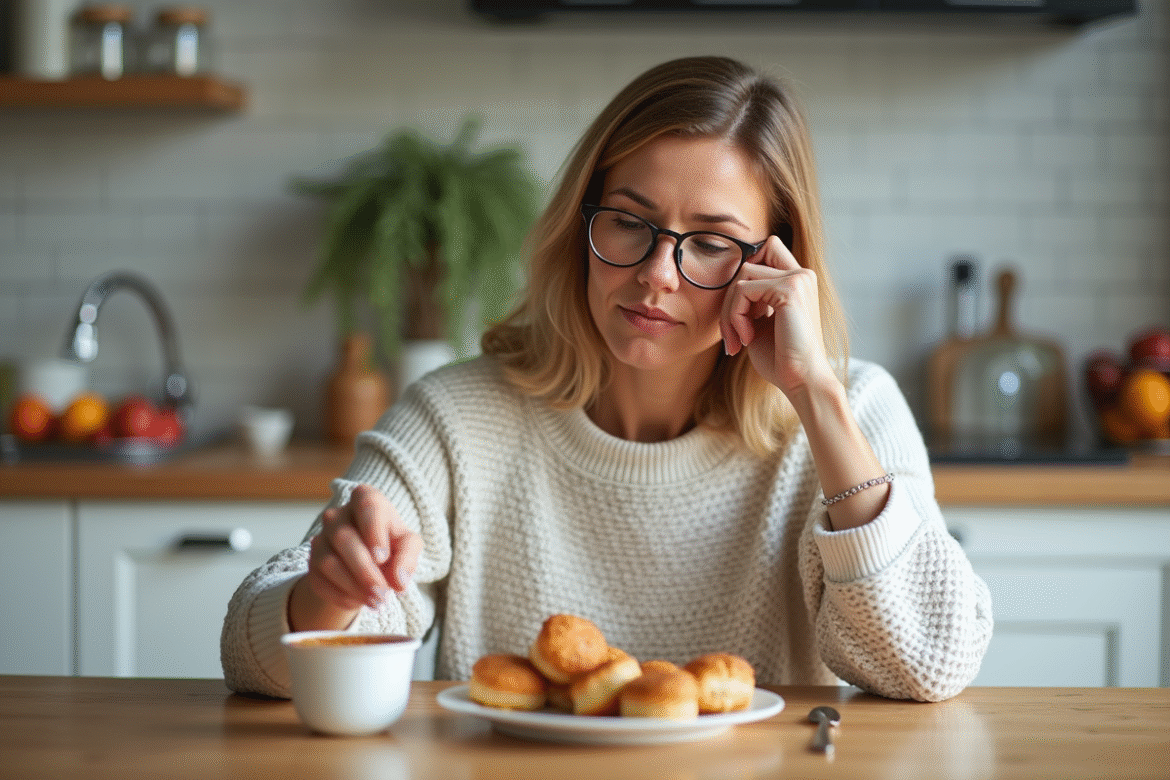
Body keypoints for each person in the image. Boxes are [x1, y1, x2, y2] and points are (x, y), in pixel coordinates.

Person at [221, 55, 993, 703]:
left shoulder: (852, 407)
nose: (658, 275)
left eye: (712, 243)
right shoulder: (458, 415)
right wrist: (330, 590)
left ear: (772, 264)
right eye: (629, 220)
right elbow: (253, 658)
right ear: (580, 224)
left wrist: (816, 396)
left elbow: (930, 665)